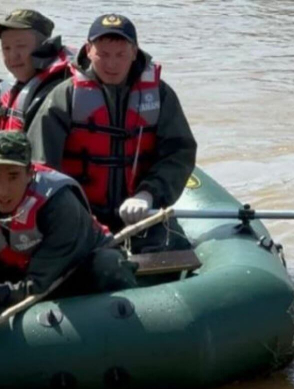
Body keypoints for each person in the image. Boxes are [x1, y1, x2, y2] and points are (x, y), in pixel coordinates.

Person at [27, 14, 197, 253]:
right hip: (79, 215)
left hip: (142, 212)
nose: (112, 64)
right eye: (103, 55)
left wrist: (148, 194)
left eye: (120, 55)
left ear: (134, 52)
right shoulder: (64, 96)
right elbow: (41, 166)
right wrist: (69, 212)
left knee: (177, 251)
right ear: (88, 50)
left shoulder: (160, 94)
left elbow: (179, 153)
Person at [0, 130, 137, 308]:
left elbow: (41, 283)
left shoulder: (58, 205)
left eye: (14, 176)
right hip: (12, 271)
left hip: (67, 272)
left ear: (29, 174)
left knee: (108, 264)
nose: (3, 191)